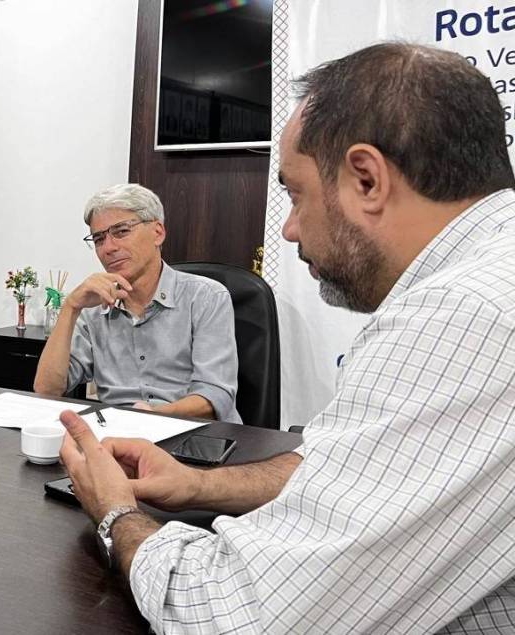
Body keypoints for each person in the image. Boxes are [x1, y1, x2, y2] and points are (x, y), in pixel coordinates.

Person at [58, 42, 515, 633]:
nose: (290, 229)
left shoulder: (459, 316)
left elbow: (234, 614)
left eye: (296, 194)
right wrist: (196, 483)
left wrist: (116, 513)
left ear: (367, 179)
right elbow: (345, 470)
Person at [33, 183, 241, 423]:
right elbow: (47, 390)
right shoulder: (93, 307)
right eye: (99, 239)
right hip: (118, 434)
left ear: (157, 233)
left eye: (121, 231)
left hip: (194, 432)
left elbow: (215, 396)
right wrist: (70, 307)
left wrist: (150, 417)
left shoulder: (207, 297)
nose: (109, 248)